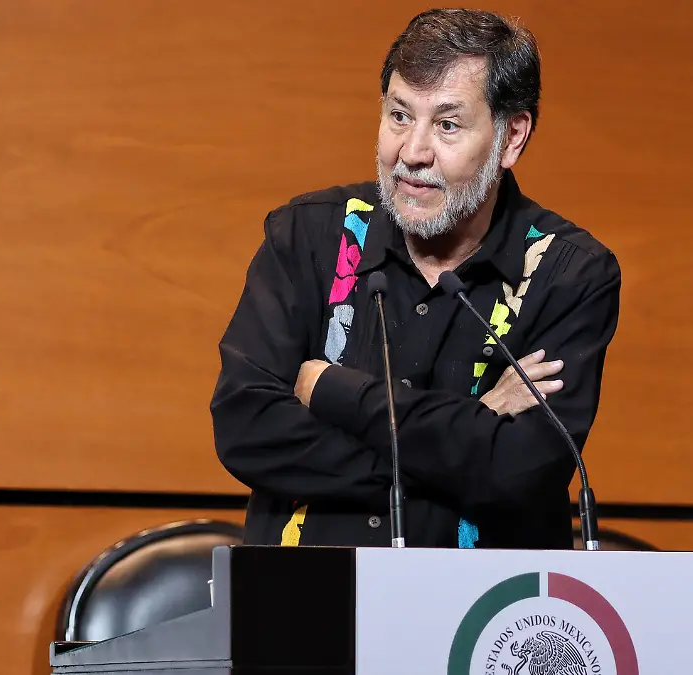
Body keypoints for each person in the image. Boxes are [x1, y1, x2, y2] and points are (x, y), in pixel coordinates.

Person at [210, 8, 620, 549]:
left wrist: (335, 393)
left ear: (511, 137)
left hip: (479, 600)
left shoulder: (568, 273)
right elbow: (247, 429)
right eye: (399, 116)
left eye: (447, 125)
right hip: (307, 588)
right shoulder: (309, 236)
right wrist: (473, 424)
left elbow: (521, 471)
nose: (412, 153)